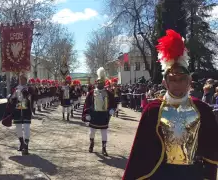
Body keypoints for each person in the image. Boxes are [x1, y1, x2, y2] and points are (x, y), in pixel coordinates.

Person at [123, 29, 218, 179]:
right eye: (173, 80)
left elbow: (211, 148)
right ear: (165, 83)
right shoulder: (153, 111)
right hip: (162, 174)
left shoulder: (202, 109)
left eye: (182, 80)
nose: (177, 84)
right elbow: (140, 153)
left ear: (189, 82)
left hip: (193, 174)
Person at [82, 67, 116, 156]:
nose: (99, 85)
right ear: (96, 83)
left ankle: (104, 148)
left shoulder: (108, 93)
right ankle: (91, 143)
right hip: (94, 115)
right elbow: (87, 104)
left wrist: (112, 109)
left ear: (104, 83)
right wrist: (87, 114)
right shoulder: (91, 92)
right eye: (98, 83)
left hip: (104, 115)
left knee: (104, 132)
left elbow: (113, 103)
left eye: (101, 83)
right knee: (92, 131)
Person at [4, 73, 34, 155]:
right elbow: (11, 100)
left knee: (27, 128)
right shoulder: (15, 88)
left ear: (26, 79)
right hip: (17, 111)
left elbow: (31, 97)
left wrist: (25, 92)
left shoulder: (29, 88)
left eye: (23, 79)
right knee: (18, 128)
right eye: (20, 79)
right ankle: (21, 143)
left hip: (26, 111)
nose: (21, 80)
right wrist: (11, 97)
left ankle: (26, 146)